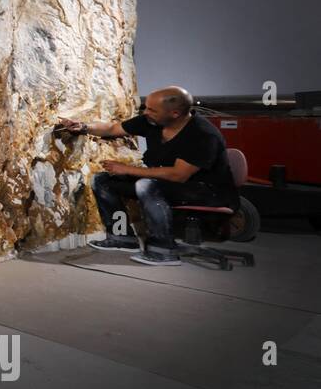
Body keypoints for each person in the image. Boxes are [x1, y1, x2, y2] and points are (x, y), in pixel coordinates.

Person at [56, 86, 238, 266]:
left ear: (175, 113)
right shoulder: (152, 121)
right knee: (103, 181)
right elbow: (112, 129)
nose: (146, 112)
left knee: (146, 185)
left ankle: (163, 251)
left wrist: (127, 169)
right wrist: (83, 127)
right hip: (166, 183)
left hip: (209, 192)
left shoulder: (203, 134)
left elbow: (178, 175)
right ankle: (122, 238)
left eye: (152, 109)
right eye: (146, 107)